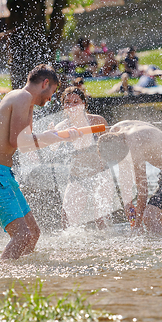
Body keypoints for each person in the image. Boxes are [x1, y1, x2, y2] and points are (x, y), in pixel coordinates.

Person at [0, 64, 83, 260]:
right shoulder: (21, 97)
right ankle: (1, 278)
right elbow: (17, 141)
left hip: (2, 173)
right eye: (53, 92)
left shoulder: (27, 102)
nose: (51, 99)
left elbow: (26, 146)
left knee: (33, 234)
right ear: (45, 83)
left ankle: (24, 275)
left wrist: (60, 137)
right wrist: (53, 136)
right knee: (22, 235)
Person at [97, 120, 162, 234]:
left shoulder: (135, 144)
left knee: (149, 217)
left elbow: (142, 189)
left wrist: (137, 225)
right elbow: (125, 172)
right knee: (157, 220)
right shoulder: (116, 131)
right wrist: (127, 202)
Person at [50, 87, 115, 228]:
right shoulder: (62, 126)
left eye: (76, 101)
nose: (72, 105)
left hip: (101, 175)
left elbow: (110, 147)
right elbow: (52, 149)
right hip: (77, 176)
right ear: (63, 106)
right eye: (67, 102)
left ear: (84, 104)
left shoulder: (97, 121)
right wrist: (52, 135)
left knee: (102, 222)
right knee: (66, 223)